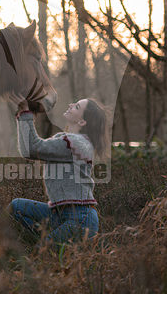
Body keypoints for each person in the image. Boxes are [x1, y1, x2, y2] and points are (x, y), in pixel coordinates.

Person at [7, 93, 109, 248]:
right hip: (58, 213)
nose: (70, 105)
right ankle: (45, 243)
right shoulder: (66, 139)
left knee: (41, 256)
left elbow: (33, 148)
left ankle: (45, 247)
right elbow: (28, 150)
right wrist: (23, 113)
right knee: (17, 207)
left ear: (82, 121)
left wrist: (27, 113)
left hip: (80, 219)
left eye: (76, 106)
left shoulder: (76, 144)